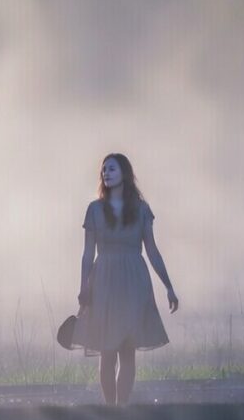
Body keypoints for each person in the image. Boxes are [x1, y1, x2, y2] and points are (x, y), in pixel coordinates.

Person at [70, 153, 179, 405]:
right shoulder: (94, 209)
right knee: (107, 350)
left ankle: (123, 408)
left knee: (127, 348)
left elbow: (152, 250)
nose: (106, 173)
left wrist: (169, 286)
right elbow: (88, 253)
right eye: (104, 170)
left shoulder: (141, 210)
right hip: (104, 280)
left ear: (124, 174)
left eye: (112, 169)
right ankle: (110, 408)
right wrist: (84, 286)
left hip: (134, 281)